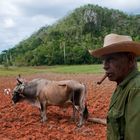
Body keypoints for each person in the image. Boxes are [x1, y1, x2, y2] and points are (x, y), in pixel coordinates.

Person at [89, 33, 140, 140]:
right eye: (104, 60)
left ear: (130, 60)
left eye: (110, 59)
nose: (105, 66)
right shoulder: (122, 86)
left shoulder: (136, 89)